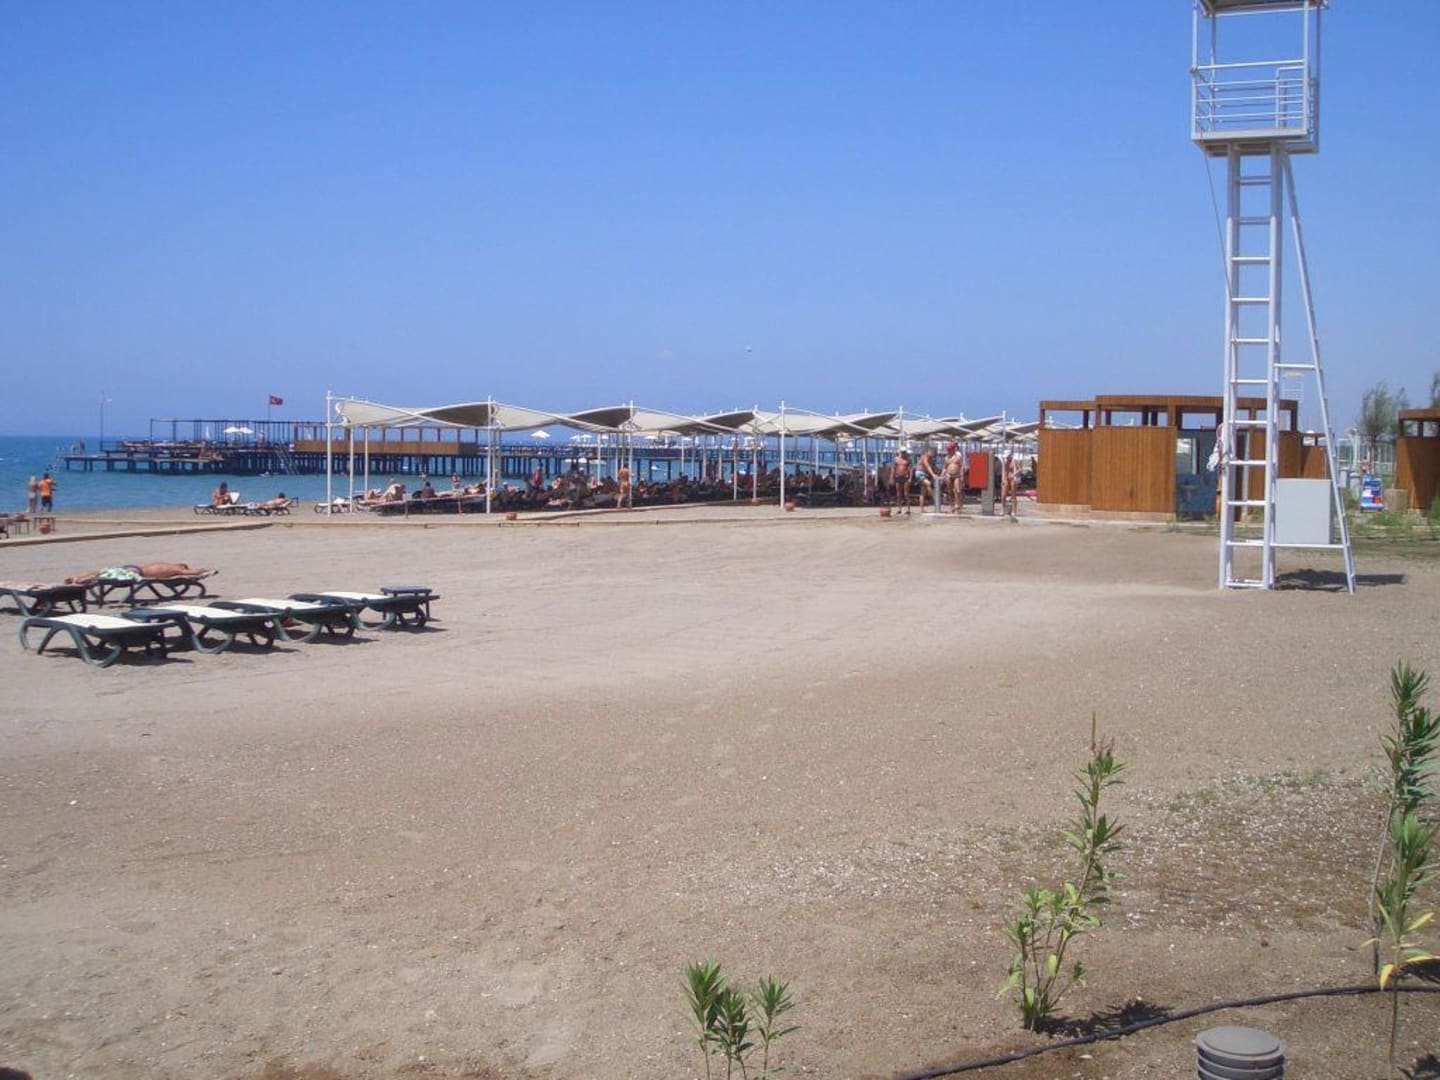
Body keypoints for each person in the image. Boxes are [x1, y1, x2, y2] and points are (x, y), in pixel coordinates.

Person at [943, 442, 966, 516]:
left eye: (950, 449)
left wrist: (962, 476)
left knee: (957, 490)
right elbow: (945, 467)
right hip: (949, 475)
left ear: (953, 449)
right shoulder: (946, 458)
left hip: (956, 476)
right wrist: (942, 475)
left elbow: (961, 466)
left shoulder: (958, 457)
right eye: (948, 449)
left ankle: (957, 505)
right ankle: (952, 506)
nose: (949, 451)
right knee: (950, 491)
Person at [919, 446, 941, 513]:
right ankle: (934, 497)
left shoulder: (931, 459)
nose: (934, 455)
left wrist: (938, 473)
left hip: (925, 475)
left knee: (923, 493)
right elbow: (928, 467)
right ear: (929, 452)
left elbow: (934, 468)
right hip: (919, 474)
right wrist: (933, 475)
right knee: (928, 483)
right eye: (933, 453)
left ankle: (921, 509)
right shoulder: (924, 457)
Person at [892, 449, 913, 515]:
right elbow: (893, 468)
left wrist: (910, 478)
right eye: (902, 452)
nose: (903, 453)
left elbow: (911, 469)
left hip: (905, 477)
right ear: (900, 452)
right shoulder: (896, 459)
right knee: (898, 494)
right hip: (898, 477)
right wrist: (892, 477)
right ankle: (899, 509)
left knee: (906, 493)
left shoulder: (908, 460)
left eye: (904, 452)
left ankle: (908, 509)